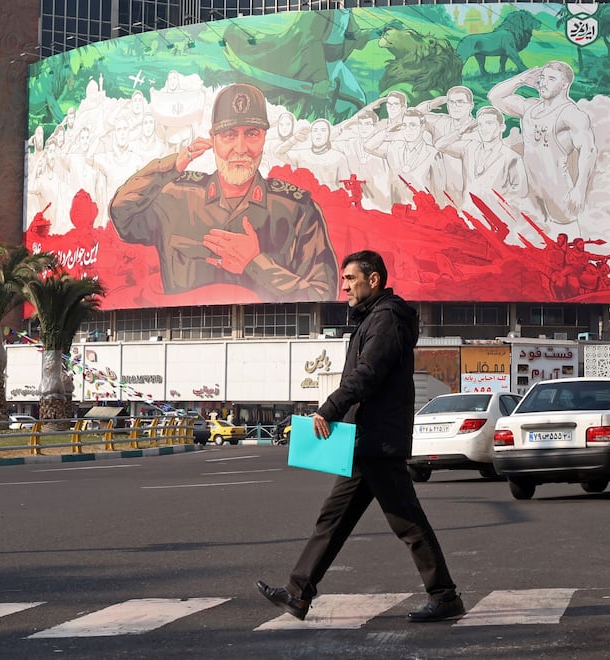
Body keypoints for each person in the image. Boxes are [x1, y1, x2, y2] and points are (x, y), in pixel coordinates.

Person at [256, 250, 464, 623]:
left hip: (378, 440)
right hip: (364, 440)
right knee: (332, 519)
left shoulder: (387, 318)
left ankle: (445, 596)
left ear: (374, 280)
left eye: (350, 279)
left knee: (407, 521)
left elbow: (368, 373)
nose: (344, 286)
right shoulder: (373, 319)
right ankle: (298, 593)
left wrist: (329, 409)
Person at [110, 82, 339, 301]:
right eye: (229, 135)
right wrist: (171, 166)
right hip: (183, 335)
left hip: (271, 337)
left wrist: (256, 263)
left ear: (263, 138)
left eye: (251, 134)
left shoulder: (297, 210)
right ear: (213, 139)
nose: (240, 149)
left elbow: (323, 294)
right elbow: (122, 214)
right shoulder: (176, 197)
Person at [487, 61, 597, 231]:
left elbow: (588, 150)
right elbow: (495, 97)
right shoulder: (529, 107)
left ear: (564, 84)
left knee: (566, 240)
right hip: (530, 189)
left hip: (557, 189)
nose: (543, 82)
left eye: (551, 78)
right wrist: (521, 80)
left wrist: (579, 188)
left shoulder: (572, 114)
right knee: (532, 244)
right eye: (542, 77)